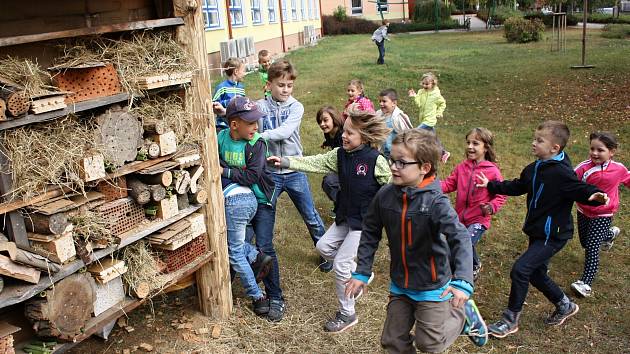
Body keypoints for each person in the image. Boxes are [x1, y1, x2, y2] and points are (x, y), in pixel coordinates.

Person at [345, 129, 488, 352]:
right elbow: (371, 231)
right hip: (401, 284)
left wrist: (462, 280)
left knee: (429, 344)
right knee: (392, 341)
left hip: (432, 286)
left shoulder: (435, 203)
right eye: (392, 160)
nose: (393, 167)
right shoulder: (385, 195)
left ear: (424, 167)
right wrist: (362, 270)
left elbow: (459, 237)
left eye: (401, 163)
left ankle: (462, 316)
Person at [476, 121, 608, 338]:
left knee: (520, 270)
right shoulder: (535, 167)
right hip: (538, 232)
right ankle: (565, 306)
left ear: (555, 148)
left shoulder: (562, 173)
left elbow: (580, 189)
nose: (533, 143)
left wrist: (595, 196)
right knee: (536, 274)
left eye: (539, 140)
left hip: (553, 235)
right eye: (534, 139)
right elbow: (519, 185)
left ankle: (510, 320)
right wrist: (492, 185)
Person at [268, 110, 392, 333]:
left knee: (342, 264)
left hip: (365, 222)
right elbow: (315, 162)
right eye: (344, 131)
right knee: (323, 247)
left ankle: (347, 313)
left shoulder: (376, 161)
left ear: (363, 137)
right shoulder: (339, 155)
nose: (344, 136)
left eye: (350, 133)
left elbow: (392, 186)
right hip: (346, 215)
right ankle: (362, 274)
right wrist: (285, 161)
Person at [254, 59, 331, 321]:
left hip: (294, 170)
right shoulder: (260, 107)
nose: (286, 89)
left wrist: (260, 136)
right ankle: (274, 294)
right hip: (270, 177)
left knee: (310, 215)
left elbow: (286, 132)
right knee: (264, 233)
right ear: (269, 84)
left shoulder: (296, 107)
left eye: (289, 85)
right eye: (281, 85)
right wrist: (224, 113)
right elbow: (242, 119)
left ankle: (326, 253)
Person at [217, 96, 274, 316]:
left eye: (256, 121)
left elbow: (251, 175)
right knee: (239, 246)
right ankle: (255, 256)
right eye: (250, 122)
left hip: (246, 200)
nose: (256, 126)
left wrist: (225, 171)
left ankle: (258, 296)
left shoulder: (256, 143)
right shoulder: (221, 137)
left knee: (233, 251)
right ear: (234, 125)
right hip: (244, 200)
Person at [441, 127, 507, 280]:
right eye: (468, 142)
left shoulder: (492, 171)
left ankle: (469, 268)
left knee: (464, 243)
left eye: (475, 143)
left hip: (479, 219)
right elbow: (449, 184)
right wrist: (431, 185)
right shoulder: (461, 167)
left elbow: (501, 194)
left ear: (486, 148)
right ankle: (464, 266)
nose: (470, 146)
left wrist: (491, 207)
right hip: (460, 218)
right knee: (458, 242)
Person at [570, 131, 629, 298]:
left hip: (604, 214)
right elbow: (571, 183)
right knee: (584, 242)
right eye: (592, 149)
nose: (595, 153)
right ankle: (609, 234)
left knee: (592, 247)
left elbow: (628, 180)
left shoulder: (619, 169)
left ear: (612, 151)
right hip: (583, 210)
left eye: (600, 150)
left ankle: (585, 283)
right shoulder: (583, 168)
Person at [408, 72, 450, 163]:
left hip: (430, 120)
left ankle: (412, 153)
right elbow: (419, 104)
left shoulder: (436, 95)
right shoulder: (421, 92)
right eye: (423, 83)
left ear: (433, 83)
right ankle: (443, 153)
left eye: (427, 84)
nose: (424, 85)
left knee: (416, 132)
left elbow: (443, 103)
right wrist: (414, 96)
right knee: (433, 138)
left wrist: (439, 112)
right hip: (423, 118)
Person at [316, 105, 344, 203]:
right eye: (320, 121)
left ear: (334, 118)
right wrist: (325, 143)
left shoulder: (343, 134)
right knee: (327, 182)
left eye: (325, 120)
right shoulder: (328, 133)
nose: (322, 124)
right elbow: (330, 141)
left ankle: (343, 205)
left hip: (349, 166)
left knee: (329, 181)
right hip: (339, 165)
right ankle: (340, 204)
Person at [376, 88, 412, 157]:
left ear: (394, 103)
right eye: (380, 101)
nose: (381, 104)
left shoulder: (400, 117)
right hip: (382, 152)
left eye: (384, 101)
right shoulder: (378, 114)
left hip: (397, 153)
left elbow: (410, 134)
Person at [212, 57, 246, 131]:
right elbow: (213, 105)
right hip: (223, 126)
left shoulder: (241, 88)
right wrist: (229, 101)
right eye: (243, 71)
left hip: (238, 125)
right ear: (236, 71)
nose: (244, 73)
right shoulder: (221, 87)